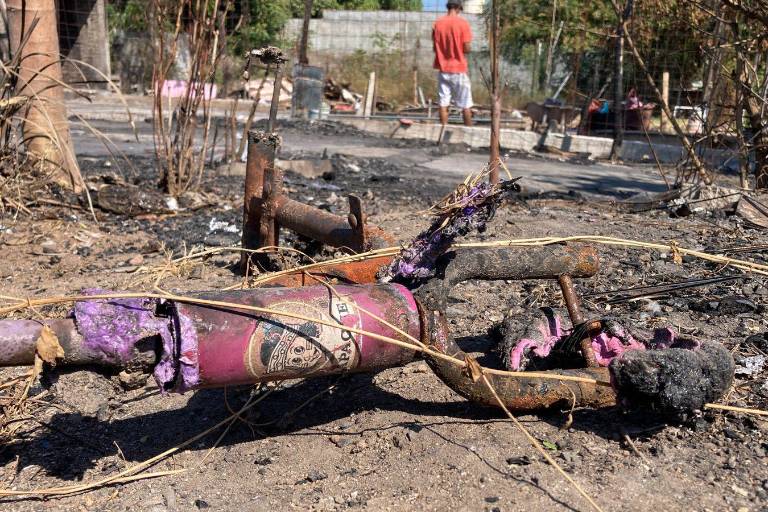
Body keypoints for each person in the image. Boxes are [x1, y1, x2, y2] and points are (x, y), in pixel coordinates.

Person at [432, 0, 473, 126]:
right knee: (466, 104)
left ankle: (443, 130)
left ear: (448, 7)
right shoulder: (463, 23)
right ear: (459, 8)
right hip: (459, 69)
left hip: (443, 69)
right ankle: (469, 132)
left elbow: (435, 47)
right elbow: (466, 48)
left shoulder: (437, 24)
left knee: (443, 102)